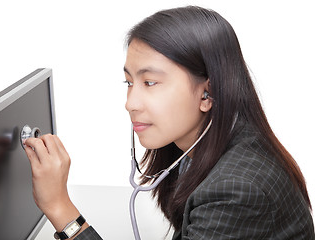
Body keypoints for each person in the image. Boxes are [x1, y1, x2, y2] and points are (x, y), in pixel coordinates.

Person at [24, 5, 315, 240]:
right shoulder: (205, 145)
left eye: (150, 82)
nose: (130, 103)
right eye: (128, 82)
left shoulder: (236, 191)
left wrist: (60, 208)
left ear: (207, 92)